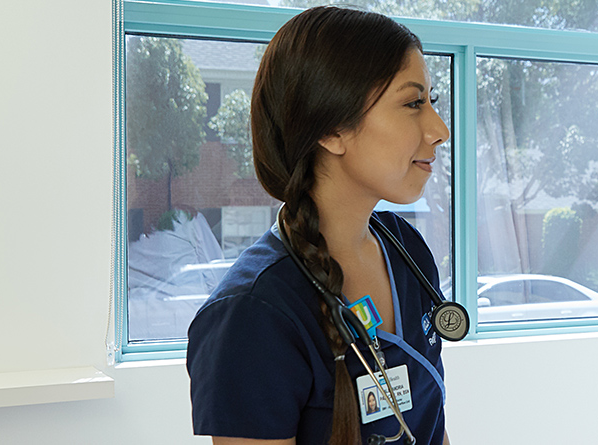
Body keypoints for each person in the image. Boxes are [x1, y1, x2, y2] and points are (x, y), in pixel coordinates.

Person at [186, 7, 453, 445]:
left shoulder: (408, 252)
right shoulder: (252, 315)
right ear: (331, 130)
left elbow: (430, 425)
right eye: (412, 103)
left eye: (432, 103)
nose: (439, 129)